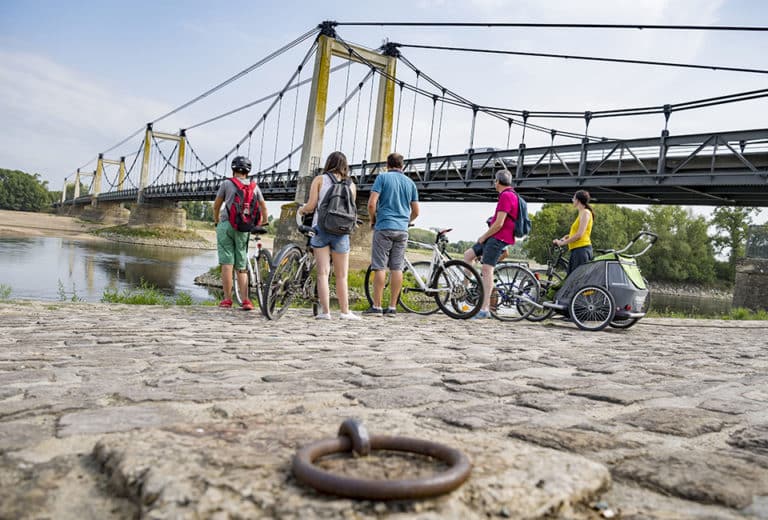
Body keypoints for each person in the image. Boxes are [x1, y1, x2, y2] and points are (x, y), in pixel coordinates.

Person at [298, 151, 360, 321]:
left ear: (328, 163)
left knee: (322, 273)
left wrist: (301, 209)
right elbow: (350, 209)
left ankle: (325, 312)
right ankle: (345, 312)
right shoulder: (351, 184)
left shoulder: (319, 179)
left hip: (321, 229)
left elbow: (311, 206)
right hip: (341, 232)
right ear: (344, 166)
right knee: (341, 275)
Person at [364, 152, 420, 317]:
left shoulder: (382, 178)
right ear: (402, 166)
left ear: (387, 165)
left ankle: (377, 307)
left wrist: (372, 220)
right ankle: (393, 308)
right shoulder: (410, 183)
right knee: (397, 268)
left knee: (380, 266)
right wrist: (406, 221)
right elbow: (416, 211)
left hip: (384, 227)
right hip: (402, 230)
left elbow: (371, 204)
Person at [212, 156, 268, 310]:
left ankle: (227, 300)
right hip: (243, 227)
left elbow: (216, 206)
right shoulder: (254, 186)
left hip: (226, 225)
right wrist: (263, 221)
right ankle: (246, 301)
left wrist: (217, 221)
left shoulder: (226, 183)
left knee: (227, 263)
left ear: (233, 169)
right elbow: (263, 206)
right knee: (241, 263)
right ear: (248, 171)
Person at [463, 170, 518, 319]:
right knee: (468, 256)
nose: (494, 183)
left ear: (498, 182)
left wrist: (483, 236)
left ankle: (484, 308)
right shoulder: (508, 195)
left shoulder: (507, 196)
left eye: (495, 181)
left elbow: (499, 224)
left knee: (487, 270)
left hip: (498, 238)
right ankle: (464, 291)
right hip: (493, 237)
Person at [553, 190, 594, 275]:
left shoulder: (586, 213)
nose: (572, 201)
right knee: (572, 280)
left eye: (573, 198)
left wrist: (562, 243)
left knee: (577, 281)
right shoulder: (581, 213)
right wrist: (567, 236)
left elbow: (580, 234)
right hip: (577, 250)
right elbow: (579, 232)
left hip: (581, 250)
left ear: (578, 200)